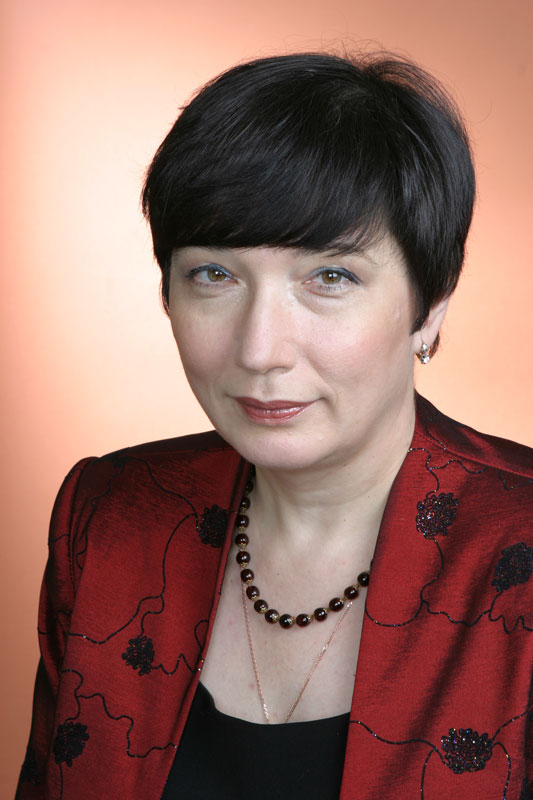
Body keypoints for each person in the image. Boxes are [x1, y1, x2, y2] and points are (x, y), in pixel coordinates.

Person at [16, 51, 532, 800]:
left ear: (431, 303)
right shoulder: (110, 515)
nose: (260, 350)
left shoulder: (519, 548)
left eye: (330, 276)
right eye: (214, 274)